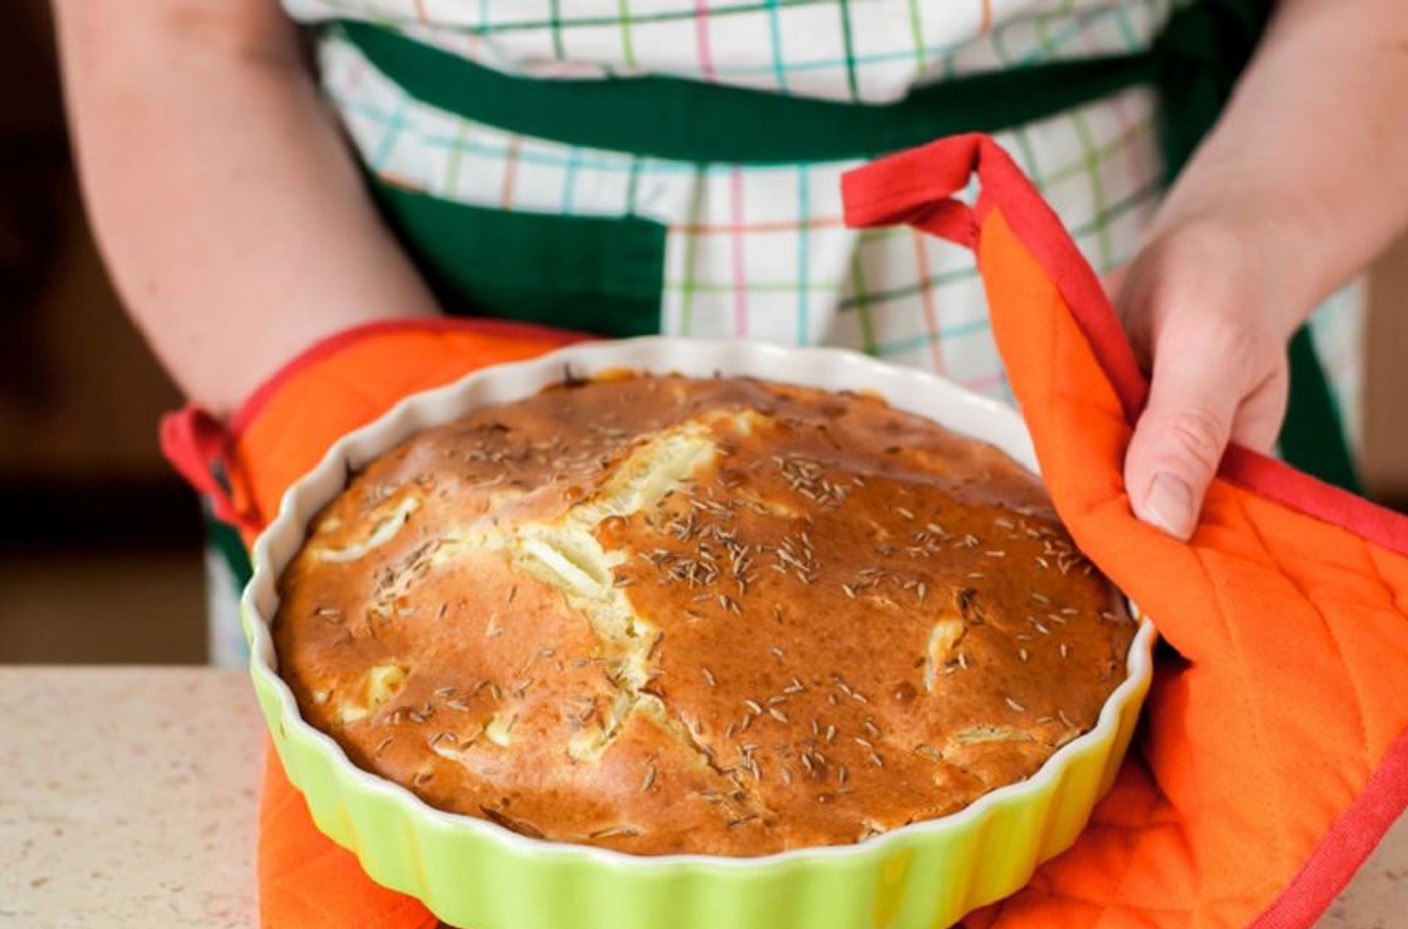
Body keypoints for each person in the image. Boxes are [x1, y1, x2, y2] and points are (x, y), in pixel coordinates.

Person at [52, 0, 1408, 549]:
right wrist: (380, 446)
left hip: (1092, 285)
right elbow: (172, 46)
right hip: (373, 285)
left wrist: (1256, 226)